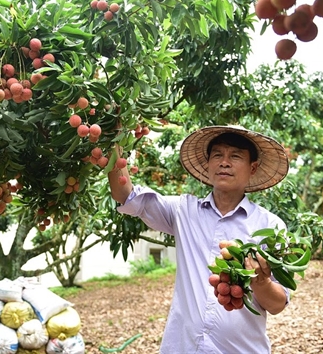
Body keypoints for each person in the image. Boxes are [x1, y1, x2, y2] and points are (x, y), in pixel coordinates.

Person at [108, 125, 291, 354]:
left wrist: (260, 281)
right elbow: (126, 196)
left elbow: (277, 305)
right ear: (208, 164)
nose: (224, 162)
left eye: (235, 156)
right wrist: (112, 140)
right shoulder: (184, 211)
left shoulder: (271, 227)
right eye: (217, 155)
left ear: (252, 167)